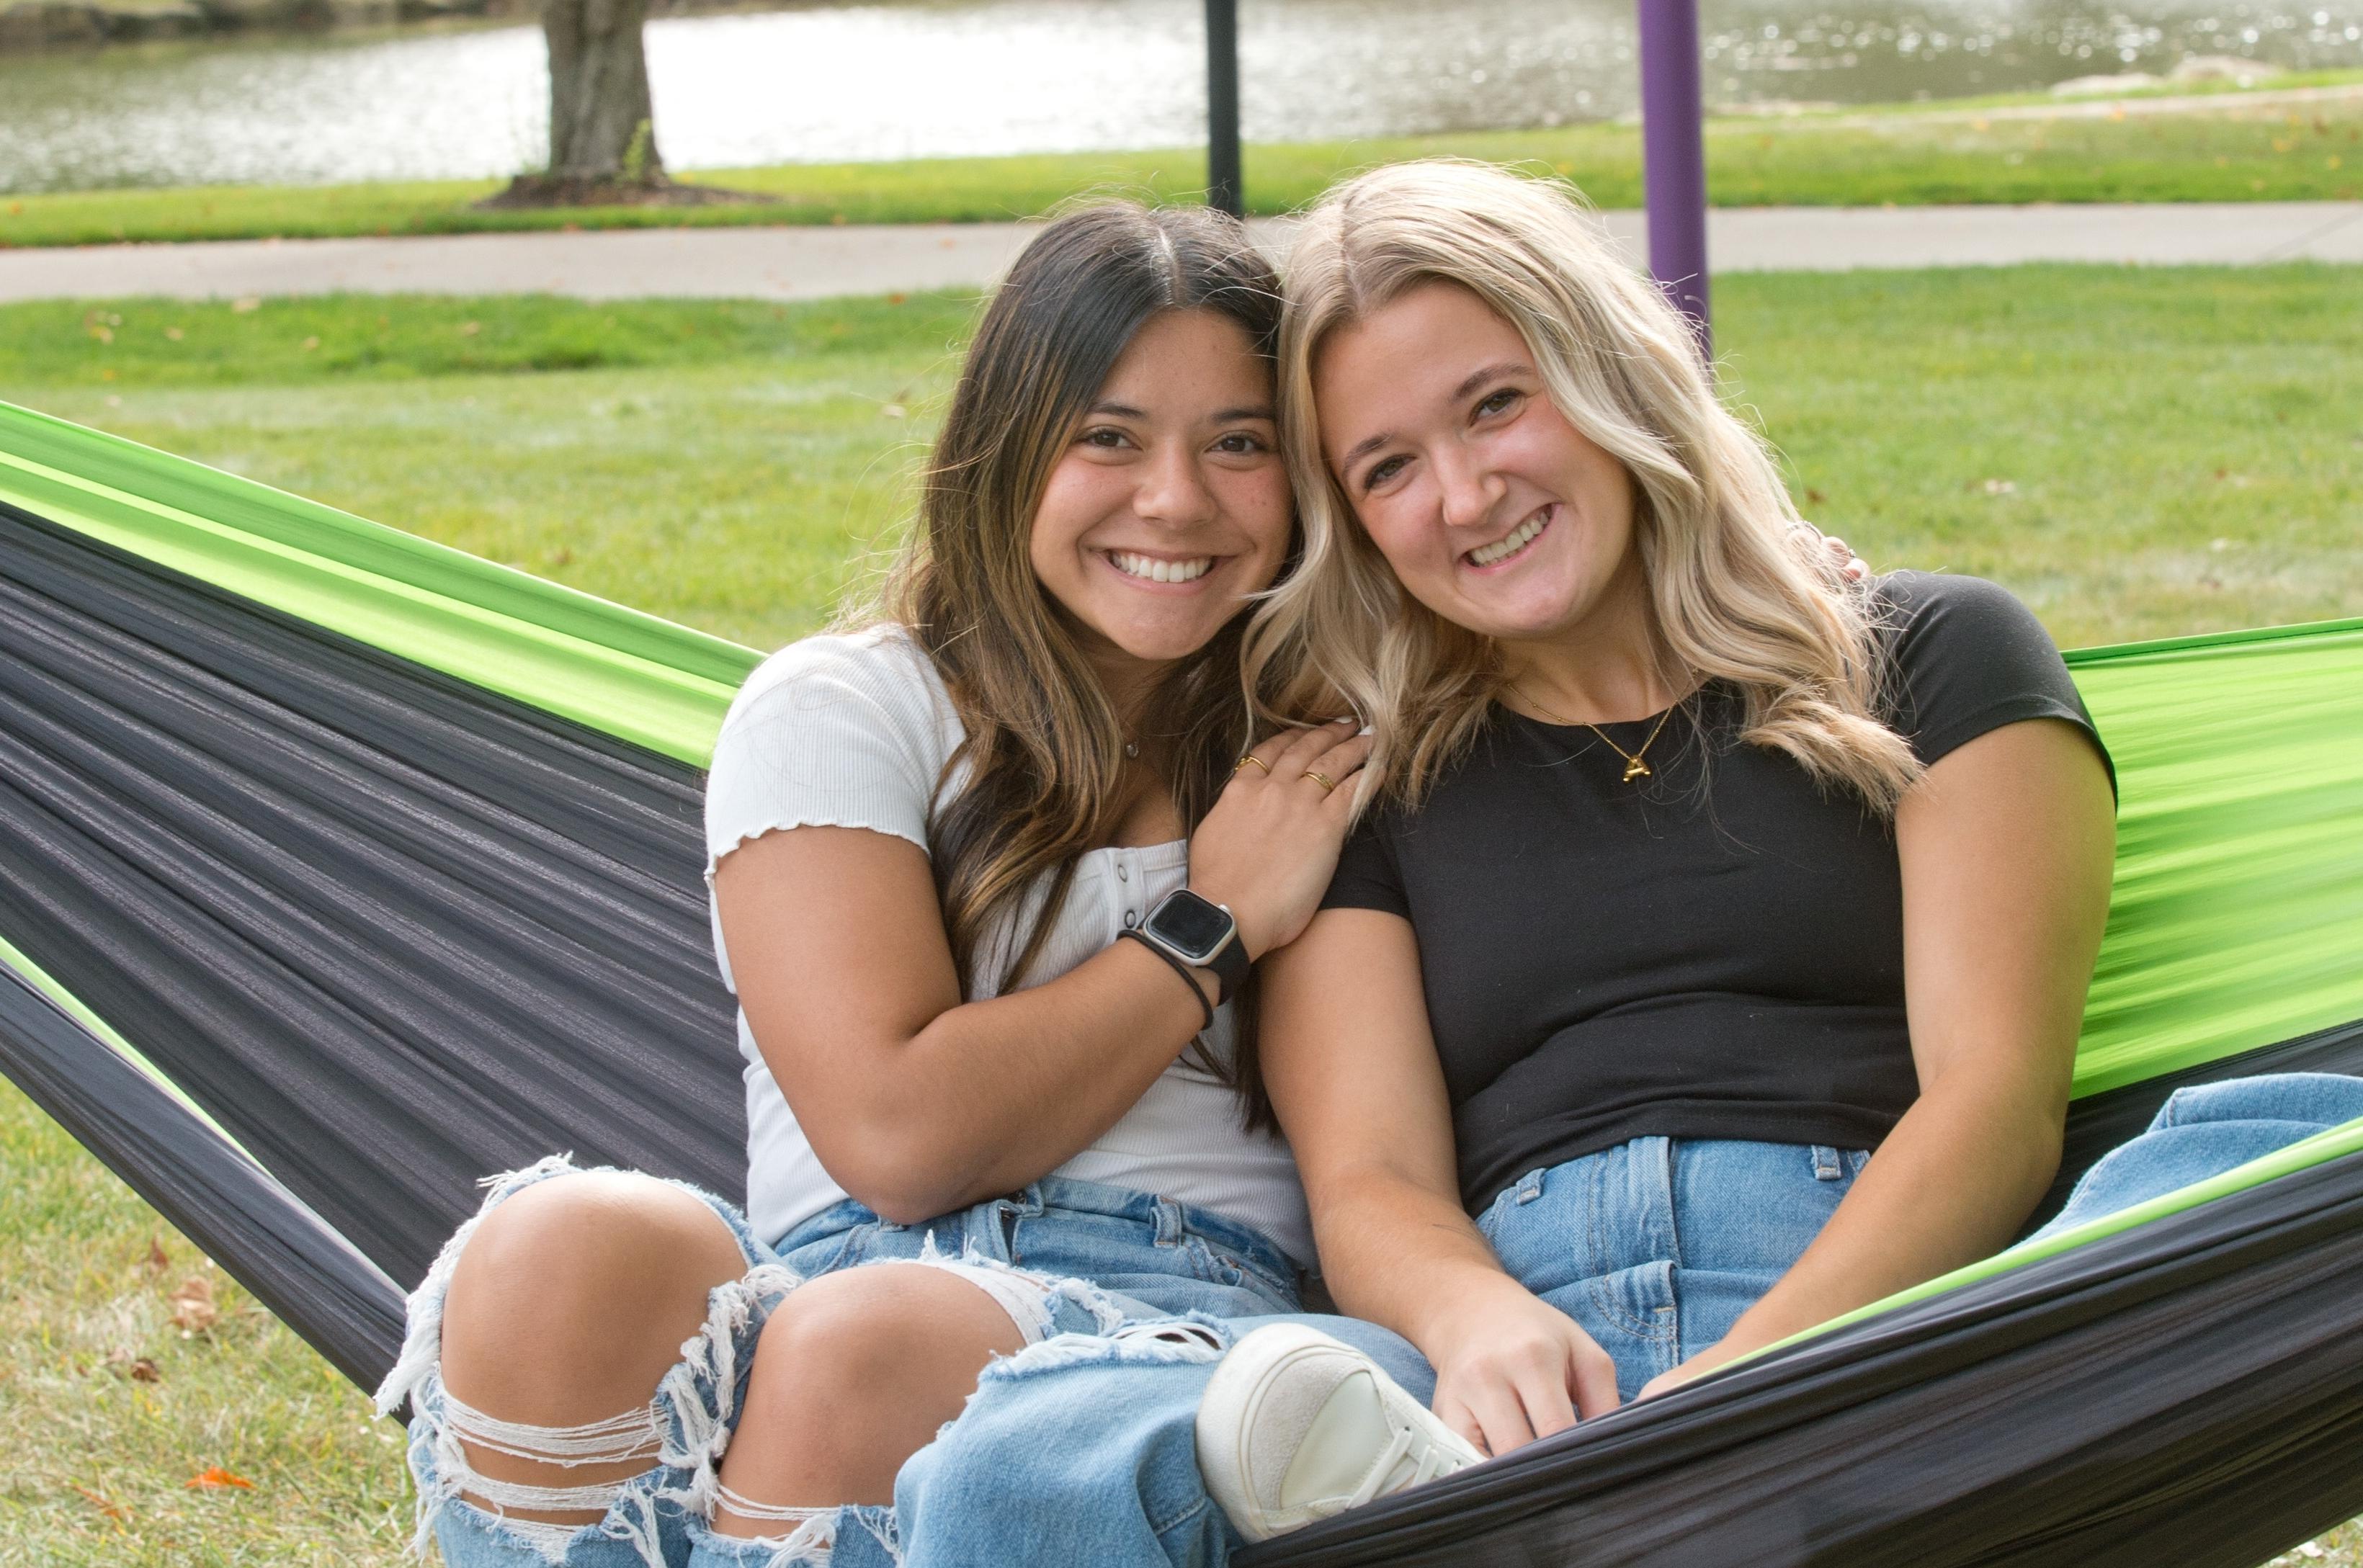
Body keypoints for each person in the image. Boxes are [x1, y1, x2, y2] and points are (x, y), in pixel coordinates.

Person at [1187, 158, 2363, 1541]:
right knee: (1199, 1413)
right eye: (1387, 467)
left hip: (1874, 1320)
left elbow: (1991, 1103)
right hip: (1515, 1370)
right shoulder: (1369, 783)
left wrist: (1744, 1389)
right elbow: (1371, 1182)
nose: (1462, 492)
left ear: (1611, 373)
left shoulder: (1928, 658)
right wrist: (1474, 1312)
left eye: (1498, 403)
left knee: (2291, 1147)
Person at [376, 200, 1432, 1568]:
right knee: (563, 1242)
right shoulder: (846, 708)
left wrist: (1805, 598)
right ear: (1003, 453)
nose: (1175, 498)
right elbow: (897, 1135)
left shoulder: (1329, 740)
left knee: (863, 1343)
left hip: (1179, 1326)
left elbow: (1587, 605)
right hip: (834, 1286)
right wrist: (1207, 926)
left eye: (1240, 443)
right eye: (1107, 436)